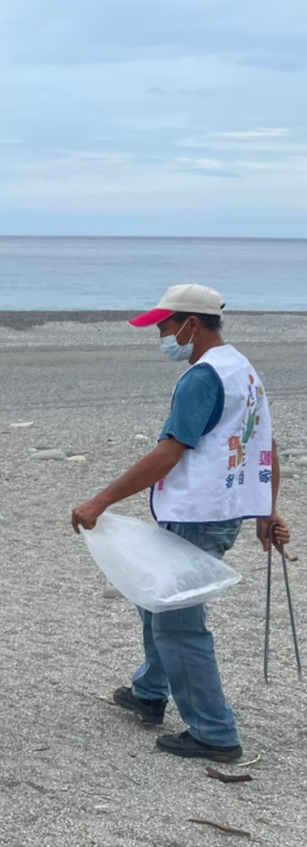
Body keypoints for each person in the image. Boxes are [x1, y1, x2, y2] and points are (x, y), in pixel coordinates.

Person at [71, 284, 290, 763]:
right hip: (223, 509)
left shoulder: (203, 377)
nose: (162, 335)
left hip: (198, 513)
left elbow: (170, 452)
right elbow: (264, 447)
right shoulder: (242, 368)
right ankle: (149, 692)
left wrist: (100, 501)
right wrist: (265, 508)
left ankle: (214, 733)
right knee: (157, 600)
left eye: (165, 325)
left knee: (179, 624)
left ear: (192, 323)